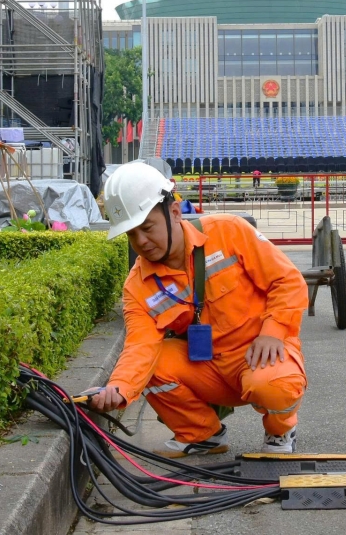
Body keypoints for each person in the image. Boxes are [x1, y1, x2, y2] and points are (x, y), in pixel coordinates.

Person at [85, 161, 308, 456]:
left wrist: (274, 331)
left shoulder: (229, 231)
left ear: (175, 213)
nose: (141, 241)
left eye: (147, 228)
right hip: (208, 368)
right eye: (131, 234)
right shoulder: (138, 286)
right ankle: (202, 435)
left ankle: (280, 432)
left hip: (260, 353)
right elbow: (140, 345)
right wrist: (118, 388)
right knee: (153, 365)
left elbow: (288, 280)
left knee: (273, 385)